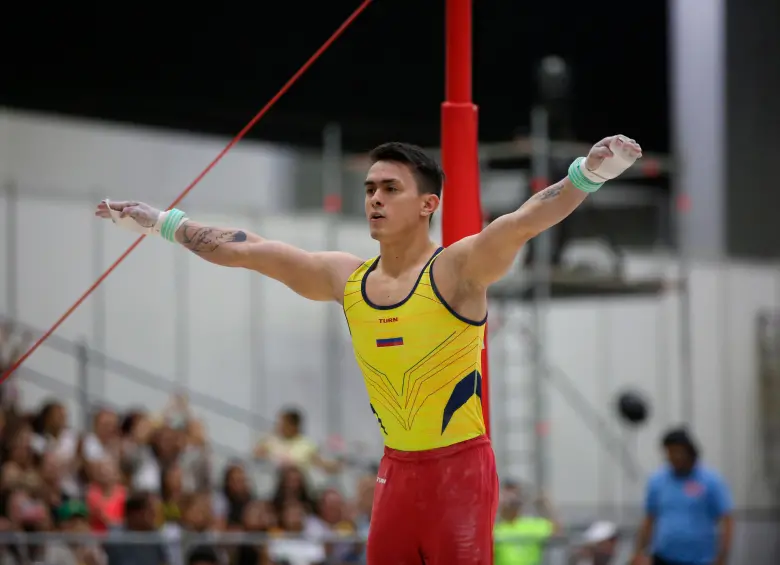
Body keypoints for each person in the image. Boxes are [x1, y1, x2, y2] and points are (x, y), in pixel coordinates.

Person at [96, 135, 642, 564]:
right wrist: (163, 223)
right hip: (396, 472)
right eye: (370, 188)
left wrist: (586, 175)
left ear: (429, 203)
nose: (375, 198)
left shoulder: (455, 269)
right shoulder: (346, 279)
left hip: (460, 469)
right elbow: (251, 250)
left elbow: (523, 222)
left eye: (390, 188)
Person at [631, 428, 733, 565]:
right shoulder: (658, 481)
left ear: (690, 451)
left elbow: (726, 520)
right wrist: (638, 552)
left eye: (678, 452)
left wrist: (722, 557)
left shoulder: (710, 481)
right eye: (670, 452)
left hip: (700, 559)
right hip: (664, 557)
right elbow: (650, 519)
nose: (674, 457)